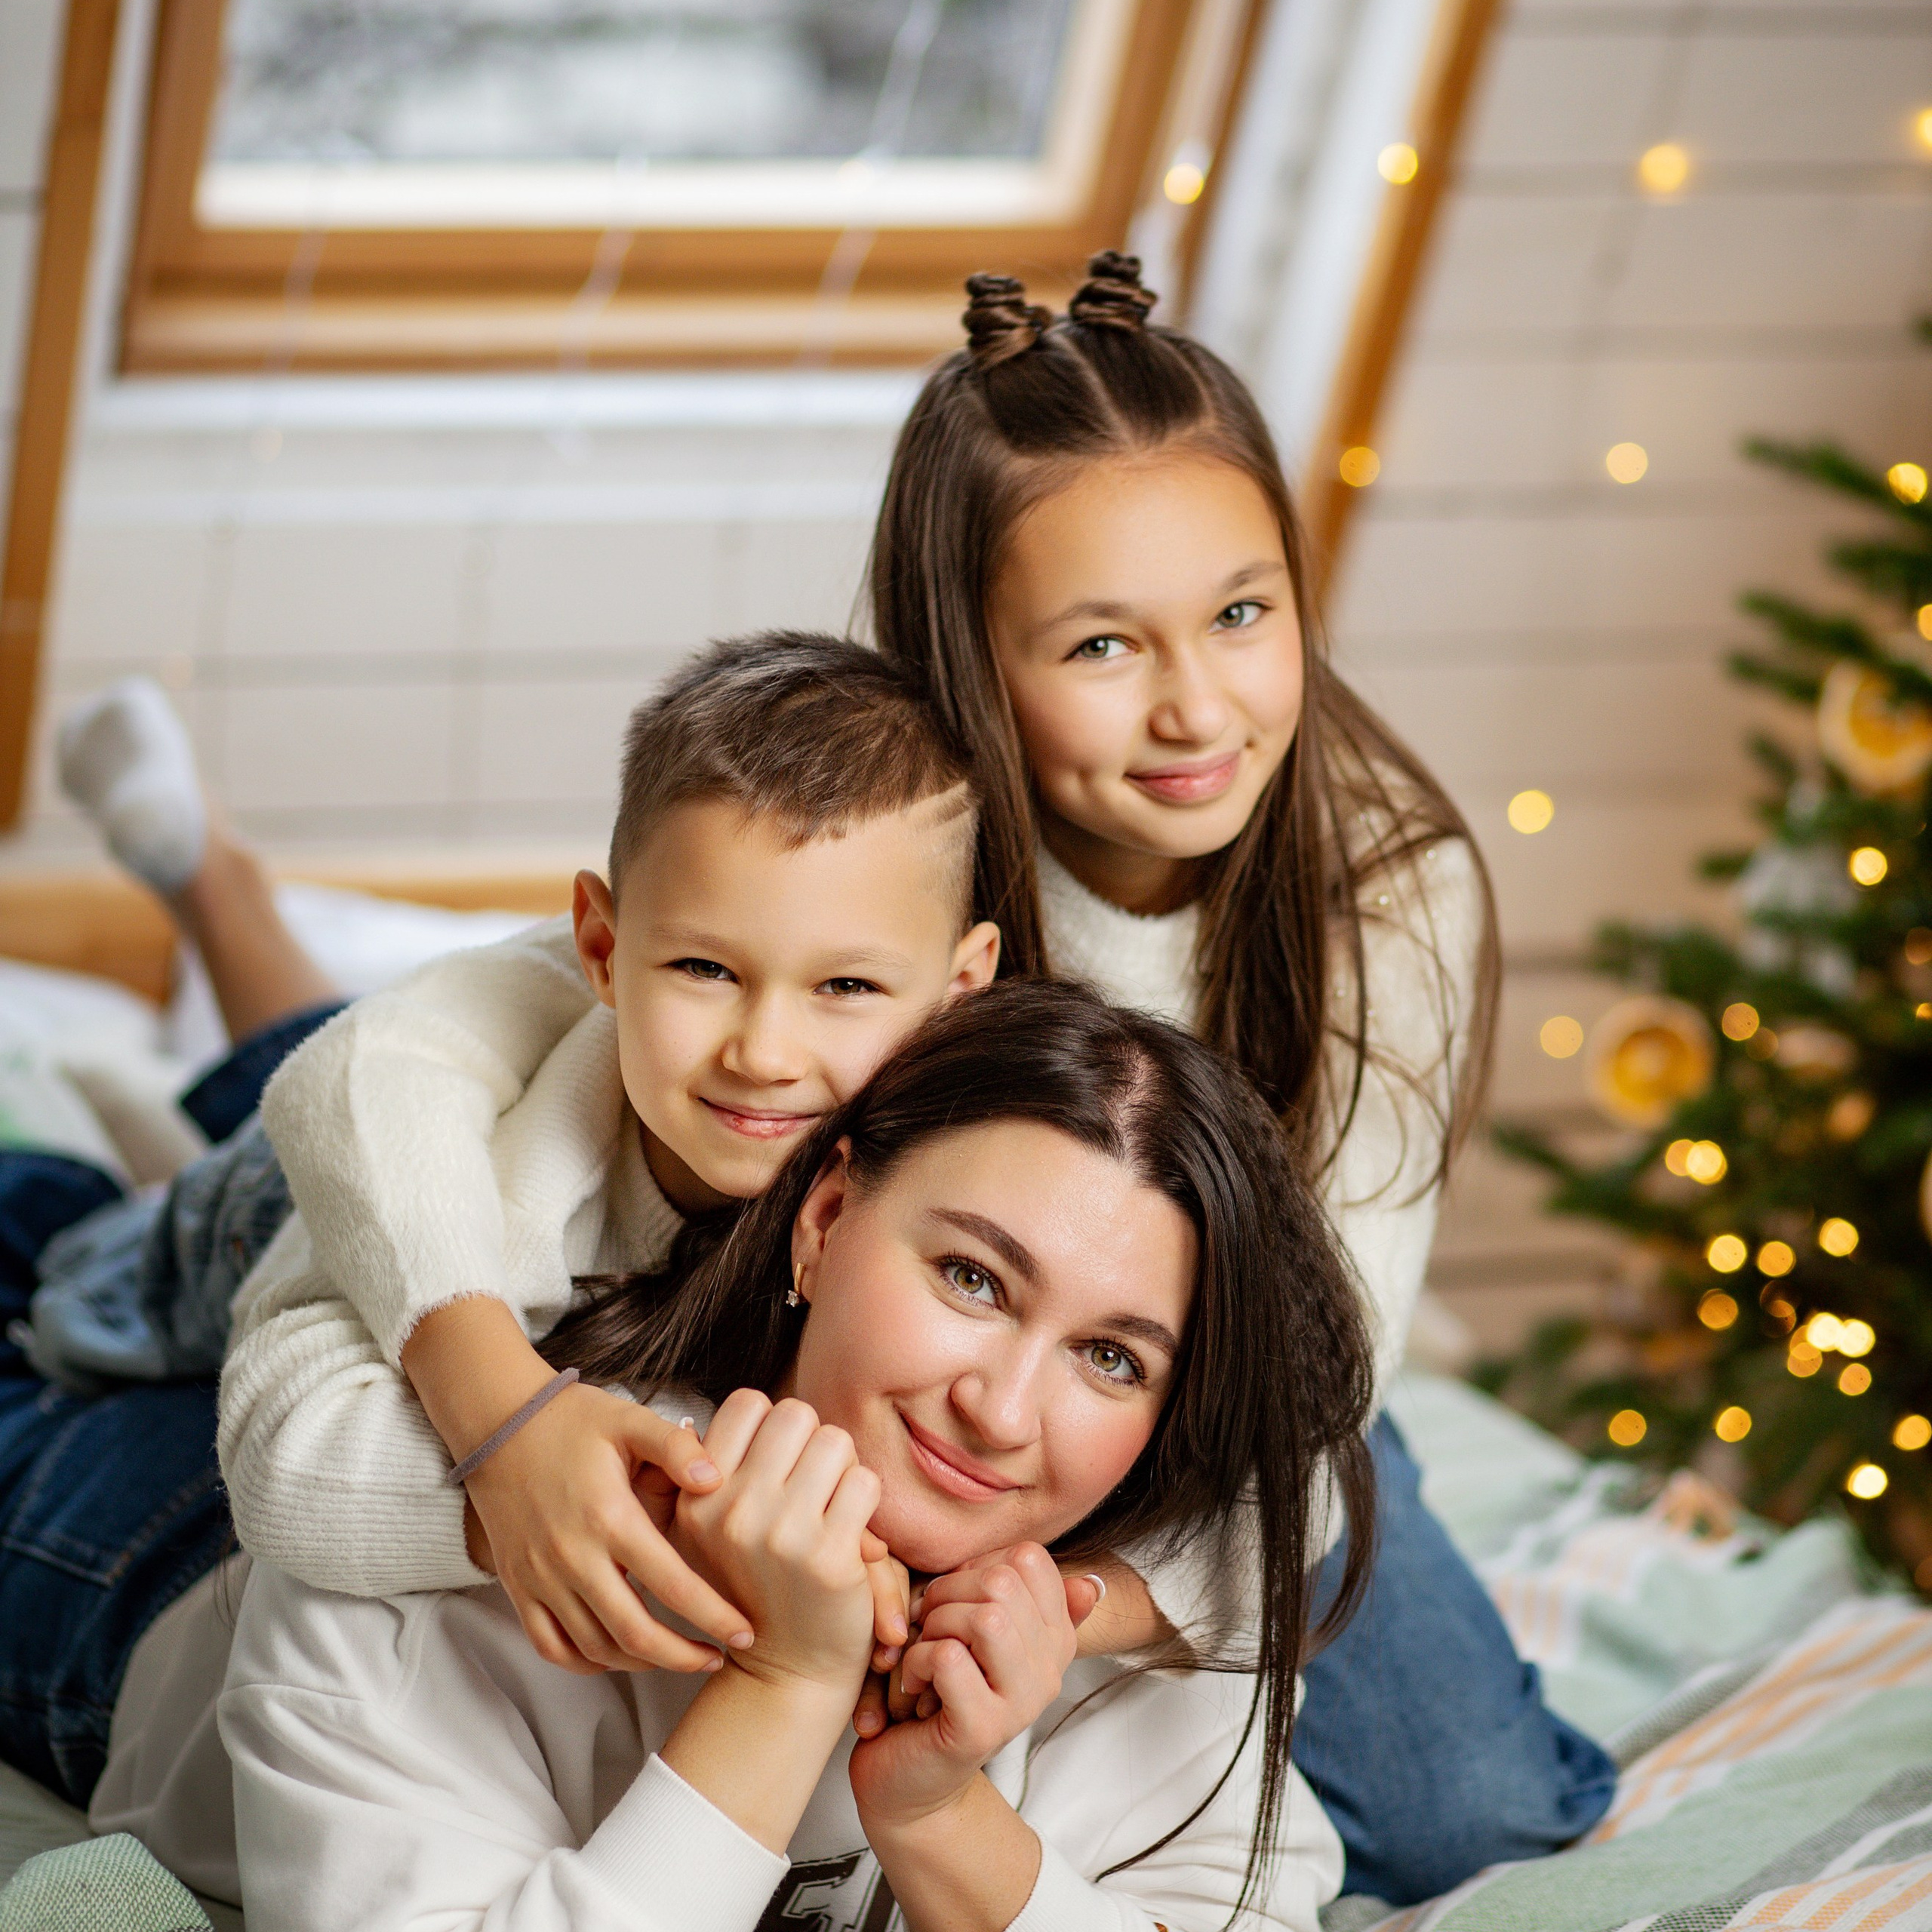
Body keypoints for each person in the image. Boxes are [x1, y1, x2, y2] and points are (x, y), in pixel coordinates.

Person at [220, 260, 1616, 1896]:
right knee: (226, 1231)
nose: (1192, 705)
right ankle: (214, 925)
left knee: (1470, 1806)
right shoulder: (864, 874)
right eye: (1099, 642)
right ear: (973, 655)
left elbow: (1321, 1394)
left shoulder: (1385, 891)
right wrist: (505, 1422)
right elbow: (382, 1071)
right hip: (643, 1228)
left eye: (1241, 612)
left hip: (1206, 1381)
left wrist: (1050, 1600)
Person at [0, 633, 1002, 1834]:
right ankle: (196, 909)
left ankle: (209, 877)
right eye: (702, 968)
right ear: (599, 946)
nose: (765, 1053)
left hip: (406, 1099)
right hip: (243, 1232)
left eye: (845, 988)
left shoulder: (969, 1144)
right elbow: (343, 1112)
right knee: (63, 1269)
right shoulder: (516, 1181)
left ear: (961, 988)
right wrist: (530, 1443)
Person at [221, 978, 1378, 1932]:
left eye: (1113, 1359)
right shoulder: (448, 1538)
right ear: (823, 1223)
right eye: (971, 1278)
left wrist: (940, 1819)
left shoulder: (1169, 1620)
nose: (1002, 1411)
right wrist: (784, 1686)